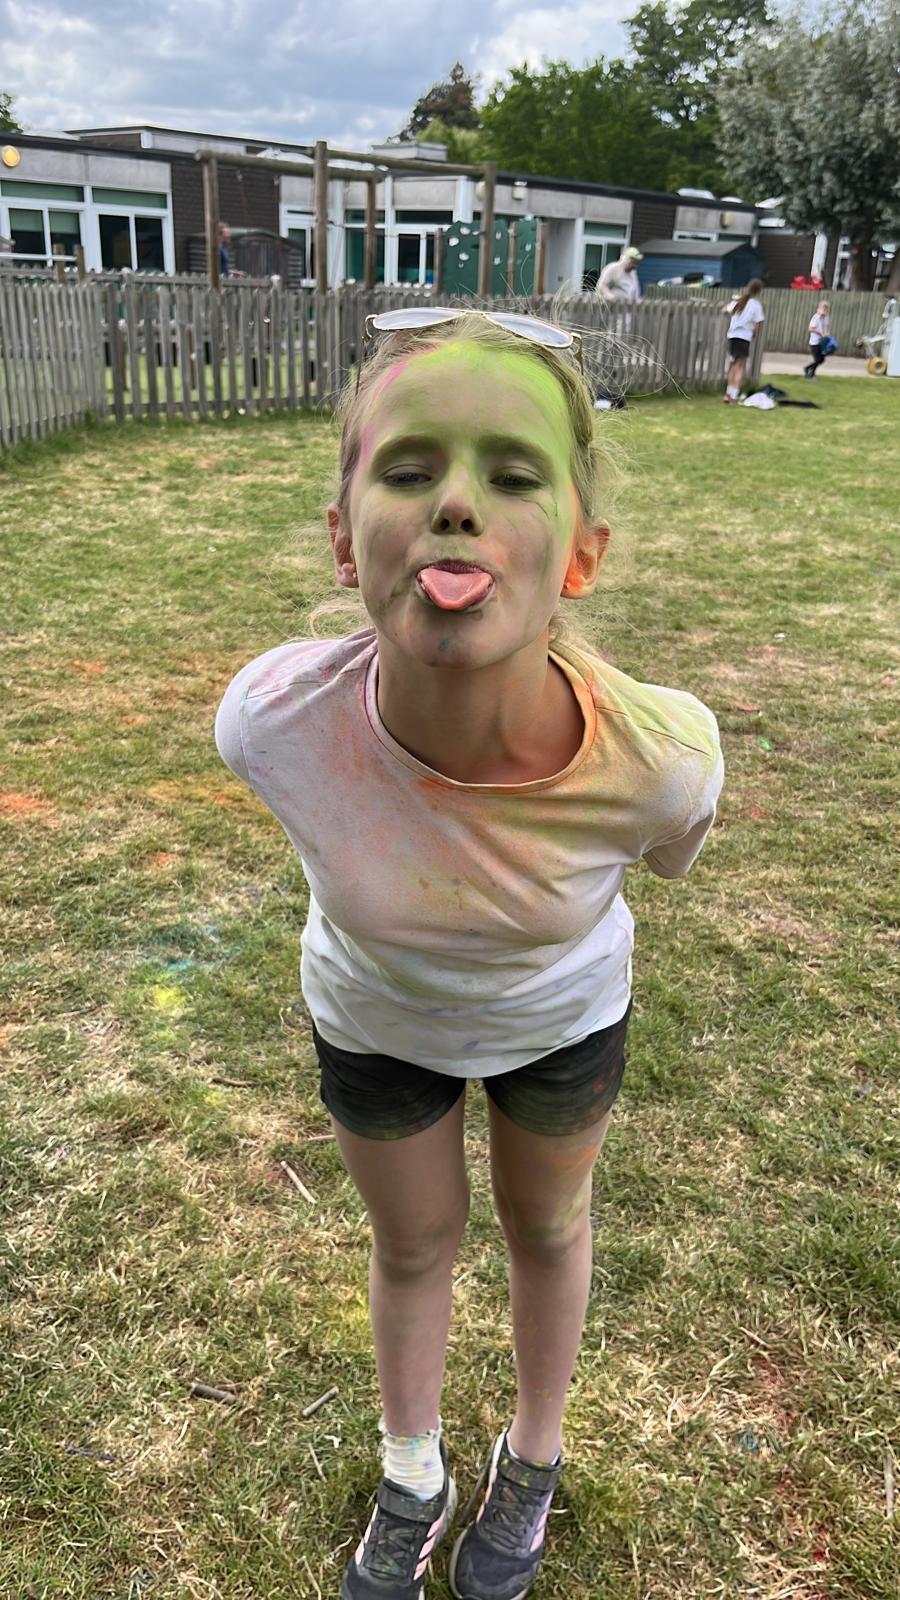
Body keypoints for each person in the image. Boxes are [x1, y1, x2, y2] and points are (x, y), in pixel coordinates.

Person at [214, 307, 724, 1600]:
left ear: (581, 554)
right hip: (375, 1023)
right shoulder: (272, 723)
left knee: (547, 1227)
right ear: (346, 540)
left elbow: (668, 861)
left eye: (510, 475)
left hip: (562, 1026)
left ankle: (532, 1458)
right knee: (414, 1244)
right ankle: (414, 1471)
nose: (455, 505)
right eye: (408, 469)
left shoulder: (661, 761)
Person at [722, 278, 765, 403]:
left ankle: (727, 394)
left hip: (733, 335)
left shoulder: (739, 301)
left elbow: (725, 309)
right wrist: (754, 335)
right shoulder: (756, 305)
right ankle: (733, 395)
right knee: (739, 367)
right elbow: (757, 325)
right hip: (744, 337)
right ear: (759, 291)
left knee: (733, 365)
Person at [804, 301, 831, 378]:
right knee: (818, 359)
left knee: (821, 359)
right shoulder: (815, 318)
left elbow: (825, 328)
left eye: (826, 310)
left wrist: (826, 333)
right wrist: (820, 333)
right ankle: (808, 370)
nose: (824, 312)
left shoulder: (826, 317)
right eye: (823, 310)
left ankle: (810, 372)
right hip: (814, 342)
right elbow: (810, 329)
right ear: (818, 309)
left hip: (822, 342)